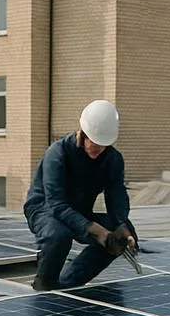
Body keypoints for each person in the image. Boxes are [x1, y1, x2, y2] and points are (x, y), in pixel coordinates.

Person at [23, 99, 137, 290]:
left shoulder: (112, 159)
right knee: (58, 236)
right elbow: (56, 204)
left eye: (103, 145)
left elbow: (116, 194)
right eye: (94, 142)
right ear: (83, 134)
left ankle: (69, 283)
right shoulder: (57, 153)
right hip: (45, 209)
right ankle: (45, 284)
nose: (98, 149)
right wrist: (94, 230)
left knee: (119, 237)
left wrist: (121, 225)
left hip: (78, 209)